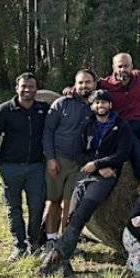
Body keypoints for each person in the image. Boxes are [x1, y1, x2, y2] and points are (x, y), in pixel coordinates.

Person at [40, 90, 133, 276]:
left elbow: (123, 153)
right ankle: (61, 261)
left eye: (104, 102)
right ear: (92, 106)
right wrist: (94, 166)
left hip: (105, 177)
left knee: (81, 215)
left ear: (110, 105)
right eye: (97, 103)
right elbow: (78, 152)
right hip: (86, 174)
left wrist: (99, 165)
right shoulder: (87, 125)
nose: (101, 106)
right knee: (72, 217)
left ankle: (55, 259)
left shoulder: (121, 126)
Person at [0, 72, 50, 261]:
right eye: (24, 86)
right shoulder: (4, 110)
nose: (27, 90)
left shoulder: (44, 109)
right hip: (10, 168)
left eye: (31, 86)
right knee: (13, 208)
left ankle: (34, 243)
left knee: (36, 207)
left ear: (36, 89)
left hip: (36, 167)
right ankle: (19, 245)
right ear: (17, 88)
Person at [42, 69, 95, 246]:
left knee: (70, 204)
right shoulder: (61, 103)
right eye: (80, 82)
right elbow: (48, 131)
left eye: (88, 82)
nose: (84, 86)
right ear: (75, 84)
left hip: (80, 163)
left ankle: (66, 241)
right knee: (53, 201)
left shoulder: (97, 105)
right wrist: (50, 158)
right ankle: (50, 239)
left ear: (94, 84)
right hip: (59, 159)